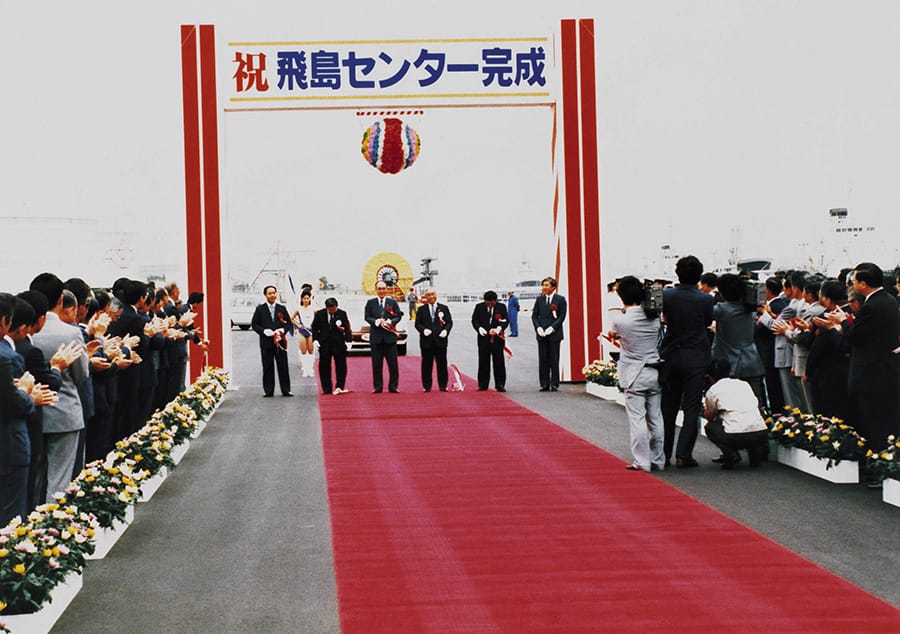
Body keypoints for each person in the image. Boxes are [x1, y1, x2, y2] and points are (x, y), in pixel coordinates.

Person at [827, 262, 900, 461]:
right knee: (885, 421)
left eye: (854, 281)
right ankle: (884, 460)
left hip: (872, 372)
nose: (852, 284)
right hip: (885, 369)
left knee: (873, 421)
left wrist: (842, 322)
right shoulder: (888, 300)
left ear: (864, 283)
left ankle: (877, 461)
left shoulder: (871, 306)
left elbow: (855, 337)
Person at [659, 255, 714, 468]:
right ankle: (684, 455)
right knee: (691, 408)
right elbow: (707, 321)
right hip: (696, 356)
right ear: (699, 276)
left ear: (677, 273)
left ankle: (663, 454)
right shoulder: (706, 299)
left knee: (668, 408)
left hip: (671, 355)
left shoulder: (667, 295)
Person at [606, 276, 665, 472]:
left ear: (621, 296)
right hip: (654, 371)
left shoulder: (620, 320)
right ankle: (658, 459)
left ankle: (642, 460)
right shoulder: (654, 318)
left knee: (637, 419)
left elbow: (613, 334)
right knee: (656, 418)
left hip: (633, 374)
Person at [703, 358, 769, 470]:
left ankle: (731, 454)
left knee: (710, 427)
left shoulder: (713, 390)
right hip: (761, 433)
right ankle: (754, 455)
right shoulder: (744, 384)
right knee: (748, 419)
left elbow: (710, 416)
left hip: (735, 436)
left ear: (710, 377)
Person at [711, 273, 765, 408]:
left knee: (728, 403)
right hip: (751, 361)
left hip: (727, 363)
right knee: (755, 401)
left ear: (722, 293)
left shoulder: (721, 310)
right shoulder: (750, 308)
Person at [250, 285, 293, 397]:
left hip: (280, 342)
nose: (272, 295)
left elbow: (288, 323)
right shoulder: (260, 309)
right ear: (265, 295)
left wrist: (283, 330)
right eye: (270, 293)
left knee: (283, 366)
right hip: (266, 343)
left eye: (274, 293)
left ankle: (286, 390)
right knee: (268, 366)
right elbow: (254, 324)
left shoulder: (281, 308)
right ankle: (269, 390)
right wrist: (264, 331)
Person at [364, 281, 403, 393]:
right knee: (376, 364)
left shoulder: (392, 302)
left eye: (383, 288)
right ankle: (378, 387)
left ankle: (393, 386)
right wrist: (375, 321)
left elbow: (398, 315)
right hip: (376, 338)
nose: (381, 291)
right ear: (376, 289)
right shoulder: (370, 303)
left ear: (386, 289)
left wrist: (391, 321)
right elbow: (367, 317)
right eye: (379, 288)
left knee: (393, 364)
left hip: (389, 338)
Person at [531, 276, 568, 392]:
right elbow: (534, 316)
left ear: (553, 287)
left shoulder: (560, 299)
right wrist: (538, 328)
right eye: (543, 285)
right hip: (542, 334)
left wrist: (552, 328)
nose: (544, 287)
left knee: (554, 359)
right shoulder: (539, 299)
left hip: (554, 334)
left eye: (546, 285)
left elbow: (562, 316)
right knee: (543, 359)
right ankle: (544, 383)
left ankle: (555, 383)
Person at [310, 297, 352, 395]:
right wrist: (315, 339)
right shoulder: (320, 314)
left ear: (336, 306)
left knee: (341, 365)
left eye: (333, 309)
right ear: (326, 308)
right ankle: (326, 388)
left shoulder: (342, 314)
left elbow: (347, 327)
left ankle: (339, 386)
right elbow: (314, 327)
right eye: (330, 310)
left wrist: (349, 340)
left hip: (339, 343)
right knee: (324, 366)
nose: (332, 311)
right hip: (324, 343)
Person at [414, 289, 453, 392]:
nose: (431, 297)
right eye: (428, 295)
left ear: (436, 295)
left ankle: (443, 385)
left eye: (433, 294)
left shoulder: (444, 308)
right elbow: (417, 324)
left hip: (440, 340)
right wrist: (423, 330)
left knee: (442, 363)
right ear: (425, 297)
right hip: (426, 341)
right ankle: (427, 386)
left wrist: (445, 331)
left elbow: (449, 322)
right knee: (426, 364)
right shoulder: (421, 309)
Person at [471, 290, 509, 392]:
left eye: (492, 303)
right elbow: (474, 320)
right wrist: (479, 328)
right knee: (483, 361)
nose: (490, 305)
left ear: (495, 301)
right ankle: (483, 384)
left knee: (499, 361)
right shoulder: (479, 307)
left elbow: (505, 320)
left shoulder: (501, 307)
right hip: (483, 338)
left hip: (497, 338)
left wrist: (499, 328)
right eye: (488, 303)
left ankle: (500, 384)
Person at [291, 290, 316, 378]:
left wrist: (314, 325)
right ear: (301, 299)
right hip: (302, 331)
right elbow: (292, 318)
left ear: (310, 299)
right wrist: (298, 325)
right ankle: (305, 369)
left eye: (307, 298)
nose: (306, 300)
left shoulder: (313, 309)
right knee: (304, 351)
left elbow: (318, 319)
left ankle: (310, 369)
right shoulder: (299, 309)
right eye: (304, 298)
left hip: (310, 332)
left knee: (311, 351)